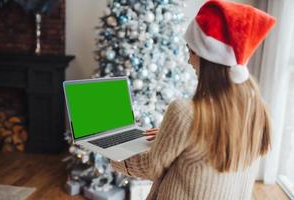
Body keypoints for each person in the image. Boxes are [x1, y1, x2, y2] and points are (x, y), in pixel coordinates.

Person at [111, 0, 276, 199]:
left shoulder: (185, 113)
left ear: (208, 58)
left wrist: (112, 150)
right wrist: (168, 137)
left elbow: (150, 168)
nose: (189, 60)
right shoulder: (258, 109)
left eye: (191, 51)